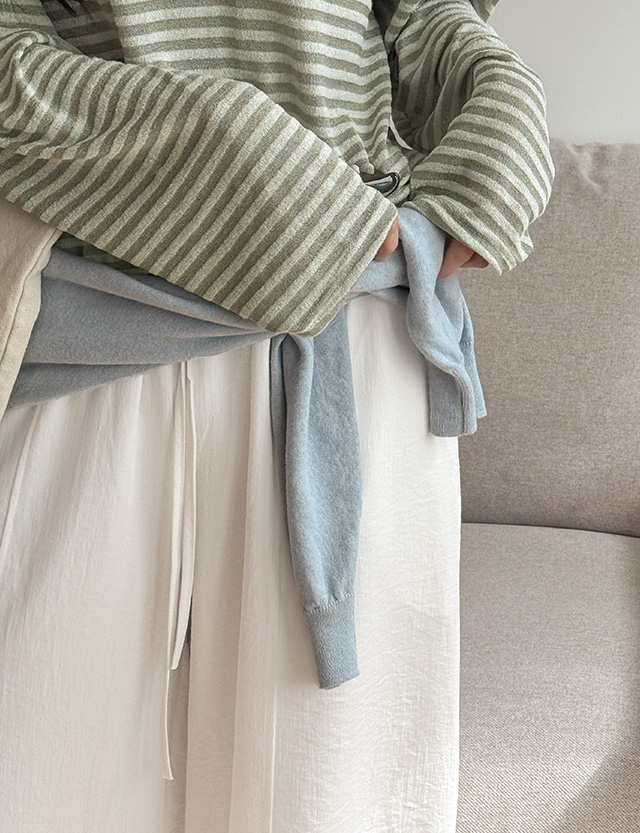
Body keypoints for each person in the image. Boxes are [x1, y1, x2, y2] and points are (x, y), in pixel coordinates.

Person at [0, 0, 553, 830]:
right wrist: (241, 154)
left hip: (356, 341)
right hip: (98, 348)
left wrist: (498, 106)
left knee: (327, 799)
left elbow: (419, 18)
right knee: (43, 776)